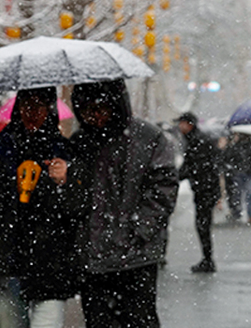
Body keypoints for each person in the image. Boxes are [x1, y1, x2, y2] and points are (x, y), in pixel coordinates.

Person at [0, 87, 85, 328]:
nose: (33, 112)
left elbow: (79, 208)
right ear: (17, 108)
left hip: (51, 264)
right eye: (27, 105)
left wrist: (66, 179)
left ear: (49, 109)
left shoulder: (63, 151)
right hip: (6, 261)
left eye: (40, 105)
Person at [70, 79, 177, 328]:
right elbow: (74, 201)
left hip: (135, 258)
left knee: (139, 321)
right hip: (93, 260)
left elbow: (164, 187)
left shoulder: (147, 137)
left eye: (100, 109)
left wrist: (139, 230)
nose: (94, 117)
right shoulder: (80, 142)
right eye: (87, 111)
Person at [177, 111, 221, 273]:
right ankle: (207, 258)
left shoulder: (198, 141)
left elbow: (195, 166)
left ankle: (208, 260)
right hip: (204, 189)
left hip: (205, 190)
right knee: (202, 225)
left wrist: (177, 177)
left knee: (203, 225)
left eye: (182, 123)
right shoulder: (194, 139)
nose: (180, 127)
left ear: (190, 124)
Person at [223, 132, 251, 225]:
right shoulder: (235, 147)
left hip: (245, 174)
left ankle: (245, 214)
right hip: (240, 174)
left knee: (245, 195)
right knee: (242, 195)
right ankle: (247, 215)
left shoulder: (248, 147)